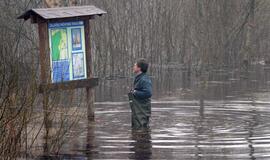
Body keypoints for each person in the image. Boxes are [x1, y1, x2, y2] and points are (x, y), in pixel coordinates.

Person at [128, 59, 152, 130]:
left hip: (142, 111)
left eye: (135, 65)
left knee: (141, 128)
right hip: (138, 110)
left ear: (139, 68)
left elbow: (148, 93)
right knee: (138, 128)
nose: (133, 67)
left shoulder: (144, 79)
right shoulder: (139, 78)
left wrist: (135, 92)